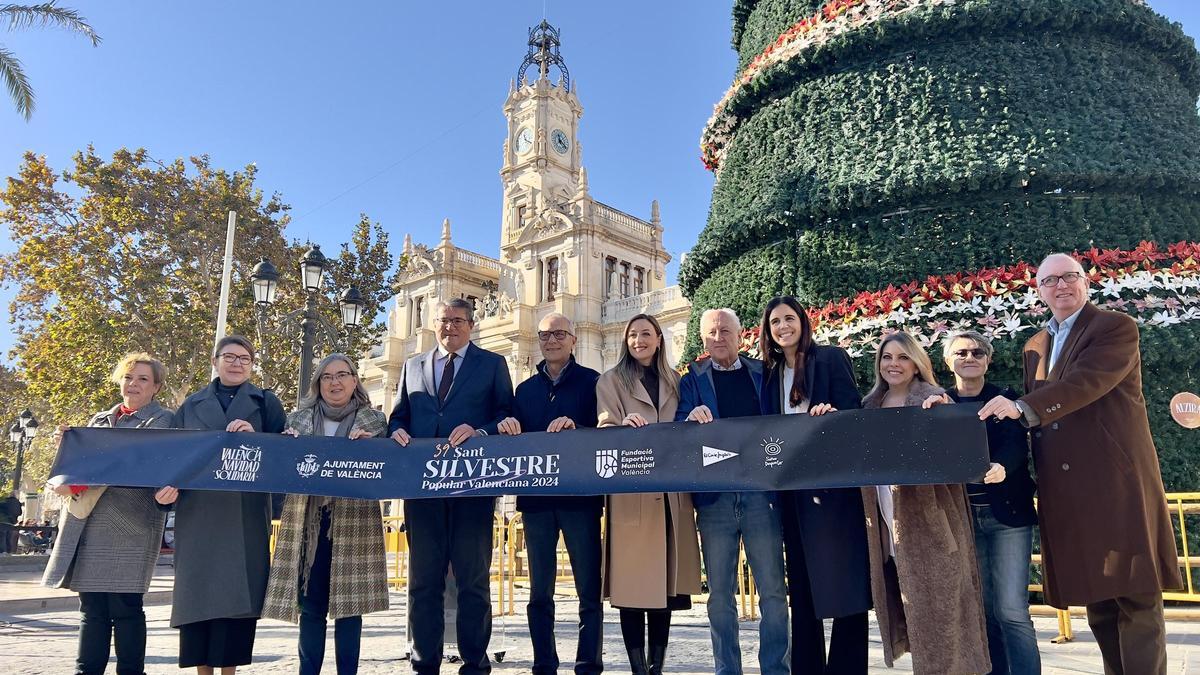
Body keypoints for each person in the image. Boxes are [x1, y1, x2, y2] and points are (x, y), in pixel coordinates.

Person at [979, 253, 1182, 675]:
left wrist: (1023, 406)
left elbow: (1087, 382)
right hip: (1067, 492)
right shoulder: (1035, 346)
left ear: (1085, 282)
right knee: (1098, 599)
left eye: (1069, 276)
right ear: (1039, 291)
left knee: (1136, 596)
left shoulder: (1114, 327)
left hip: (1115, 483)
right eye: (1050, 280)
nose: (1061, 286)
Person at [388, 297, 513, 674]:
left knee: (473, 581)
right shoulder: (412, 366)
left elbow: (507, 415)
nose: (450, 327)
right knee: (423, 582)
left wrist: (480, 431)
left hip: (473, 491)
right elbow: (398, 417)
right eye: (444, 320)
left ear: (471, 325)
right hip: (423, 492)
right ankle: (424, 663)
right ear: (435, 324)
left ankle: (475, 663)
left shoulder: (492, 364)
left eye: (458, 320)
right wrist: (396, 431)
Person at [860, 331, 996, 673]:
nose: (894, 364)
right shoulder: (869, 406)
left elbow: (961, 457)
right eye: (887, 357)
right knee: (914, 618)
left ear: (917, 363)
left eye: (903, 357)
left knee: (944, 624)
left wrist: (943, 418)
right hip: (887, 525)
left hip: (932, 529)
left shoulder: (934, 399)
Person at [157, 335, 286, 675]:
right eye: (229, 356)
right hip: (197, 516)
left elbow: (285, 457)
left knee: (237, 604)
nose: (237, 363)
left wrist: (257, 439)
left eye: (245, 358)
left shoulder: (267, 403)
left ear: (252, 365)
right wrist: (164, 496)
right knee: (197, 600)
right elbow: (173, 458)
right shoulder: (190, 405)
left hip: (245, 517)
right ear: (215, 361)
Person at [758, 296, 872, 674]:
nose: (783, 327)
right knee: (803, 589)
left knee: (845, 583)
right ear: (768, 331)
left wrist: (832, 416)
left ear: (802, 322)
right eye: (775, 322)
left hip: (833, 490)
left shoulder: (831, 358)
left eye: (789, 318)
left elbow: (853, 413)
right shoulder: (770, 373)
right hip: (792, 492)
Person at [41, 353, 174, 675]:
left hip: (132, 526)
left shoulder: (163, 421)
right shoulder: (99, 420)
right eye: (128, 377)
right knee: (91, 609)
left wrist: (81, 474)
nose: (133, 384)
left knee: (126, 607)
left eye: (143, 379)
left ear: (156, 387)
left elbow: (130, 461)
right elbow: (81, 463)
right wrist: (67, 447)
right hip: (87, 524)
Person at [262, 354, 390, 675]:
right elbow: (282, 467)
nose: (335, 382)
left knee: (350, 608)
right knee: (311, 607)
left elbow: (387, 467)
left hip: (355, 523)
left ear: (354, 381)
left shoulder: (375, 422)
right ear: (318, 383)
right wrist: (286, 447)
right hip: (308, 523)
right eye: (327, 376)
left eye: (342, 375)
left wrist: (374, 447)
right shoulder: (297, 421)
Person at [676, 308, 787, 675]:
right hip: (716, 500)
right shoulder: (691, 380)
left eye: (725, 331)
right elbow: (677, 427)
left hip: (760, 496)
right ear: (702, 339)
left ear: (740, 336)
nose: (718, 337)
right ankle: (727, 669)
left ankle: (776, 669)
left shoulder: (764, 373)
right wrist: (690, 419)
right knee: (720, 596)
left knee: (773, 591)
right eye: (711, 332)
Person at [497, 312, 603, 675]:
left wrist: (579, 427)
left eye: (559, 334)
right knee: (539, 592)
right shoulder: (524, 391)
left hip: (580, 500)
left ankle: (588, 664)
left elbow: (605, 432)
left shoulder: (593, 382)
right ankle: (544, 663)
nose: (552, 340)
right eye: (544, 335)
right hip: (537, 502)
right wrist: (508, 425)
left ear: (573, 339)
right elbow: (513, 439)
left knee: (589, 591)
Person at [595, 313, 702, 675]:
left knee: (665, 590)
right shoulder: (611, 381)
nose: (638, 341)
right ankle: (638, 668)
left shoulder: (676, 380)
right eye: (632, 335)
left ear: (658, 339)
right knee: (632, 589)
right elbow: (603, 429)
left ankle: (656, 668)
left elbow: (686, 426)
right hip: (633, 496)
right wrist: (620, 427)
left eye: (645, 334)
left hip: (671, 495)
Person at [938, 331, 1040, 674]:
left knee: (1011, 610)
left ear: (988, 359)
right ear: (947, 361)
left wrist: (1002, 467)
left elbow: (1016, 446)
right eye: (961, 352)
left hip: (1008, 517)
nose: (969, 357)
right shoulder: (939, 404)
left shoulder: (1006, 400)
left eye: (977, 352)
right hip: (964, 518)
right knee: (983, 610)